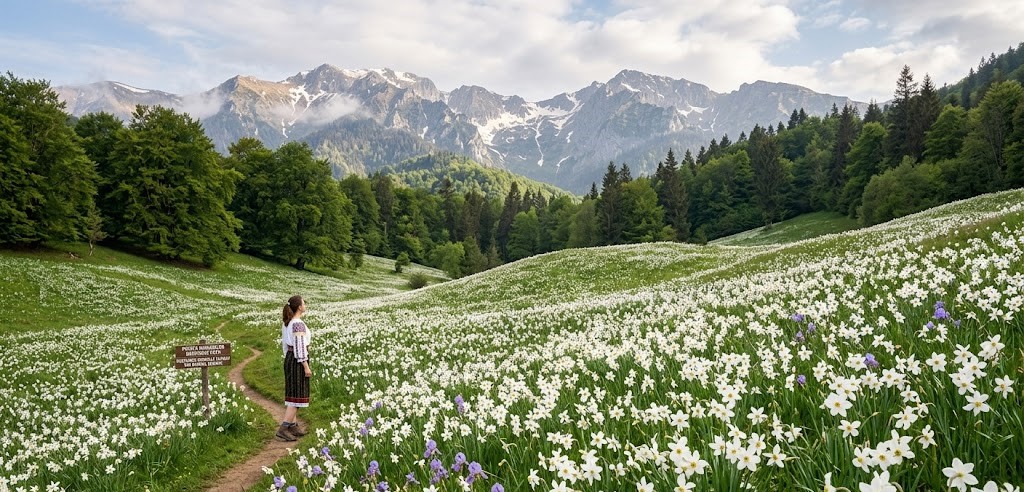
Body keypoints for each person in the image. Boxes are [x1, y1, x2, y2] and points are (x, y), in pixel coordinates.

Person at [277, 295, 312, 441]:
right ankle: (284, 428)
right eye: (304, 303)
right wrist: (305, 365)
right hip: (298, 360)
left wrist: (288, 358)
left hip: (290, 358)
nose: (305, 305)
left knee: (293, 393)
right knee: (297, 396)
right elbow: (300, 346)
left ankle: (293, 425)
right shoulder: (298, 324)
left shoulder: (288, 323)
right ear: (299, 307)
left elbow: (285, 345)